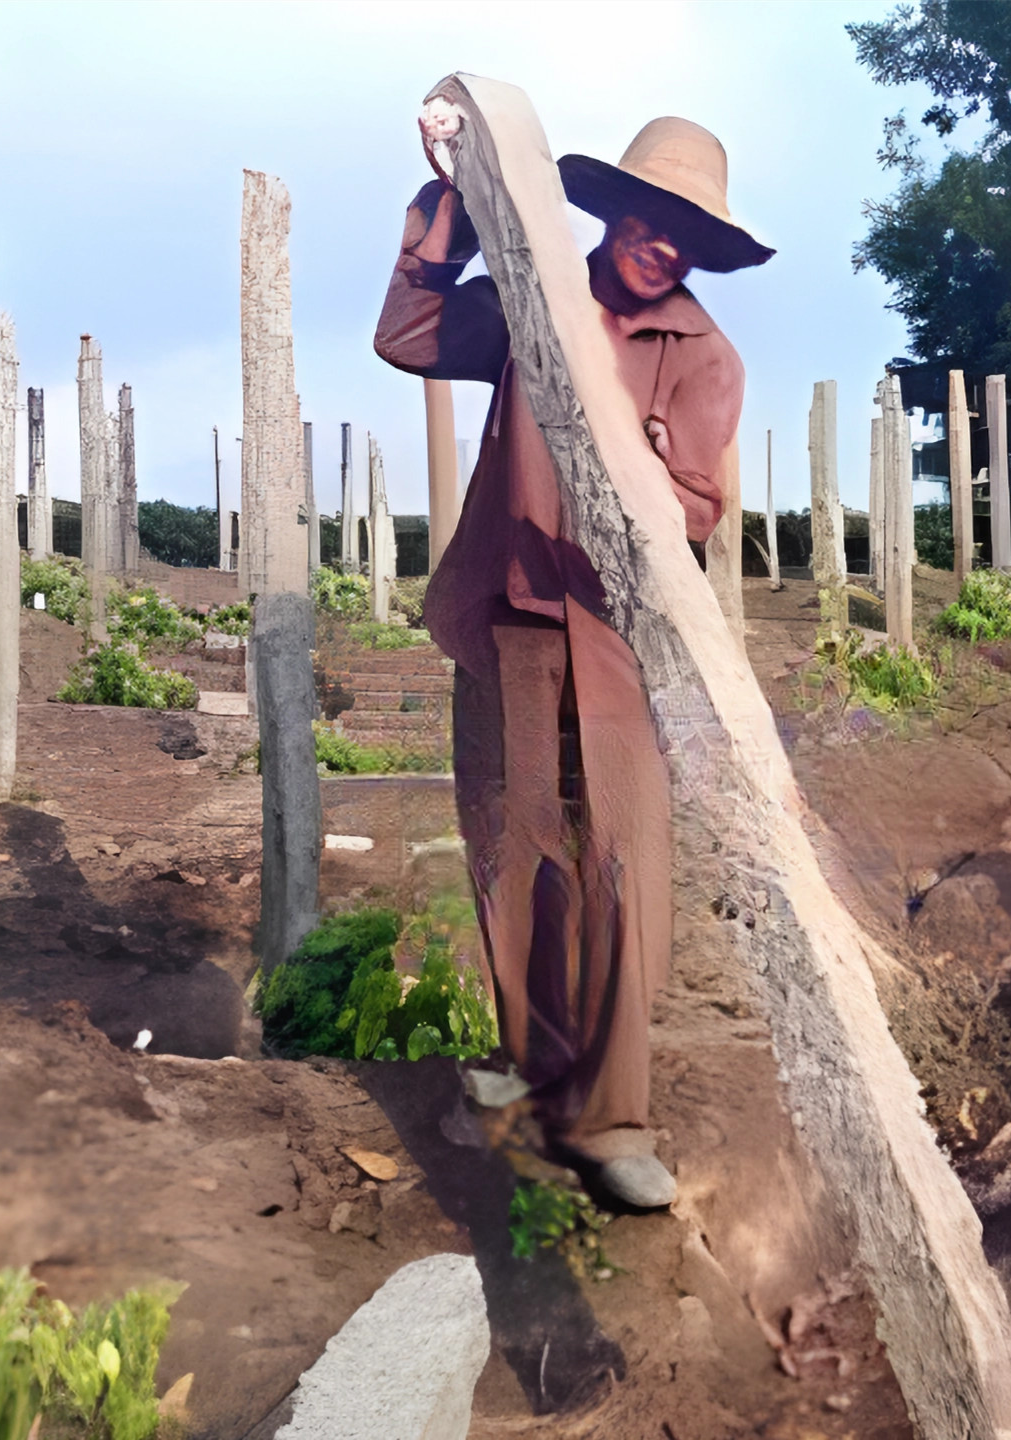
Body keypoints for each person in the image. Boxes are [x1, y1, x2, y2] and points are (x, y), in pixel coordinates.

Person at [374, 114, 772, 1208]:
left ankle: (614, 1121)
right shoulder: (527, 299)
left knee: (622, 870)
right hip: (506, 621)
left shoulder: (703, 356)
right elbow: (408, 338)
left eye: (691, 233)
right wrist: (452, 206)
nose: (668, 246)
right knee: (517, 857)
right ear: (614, 212)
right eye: (656, 218)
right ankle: (536, 1080)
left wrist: (631, 459)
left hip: (615, 639)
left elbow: (696, 510)